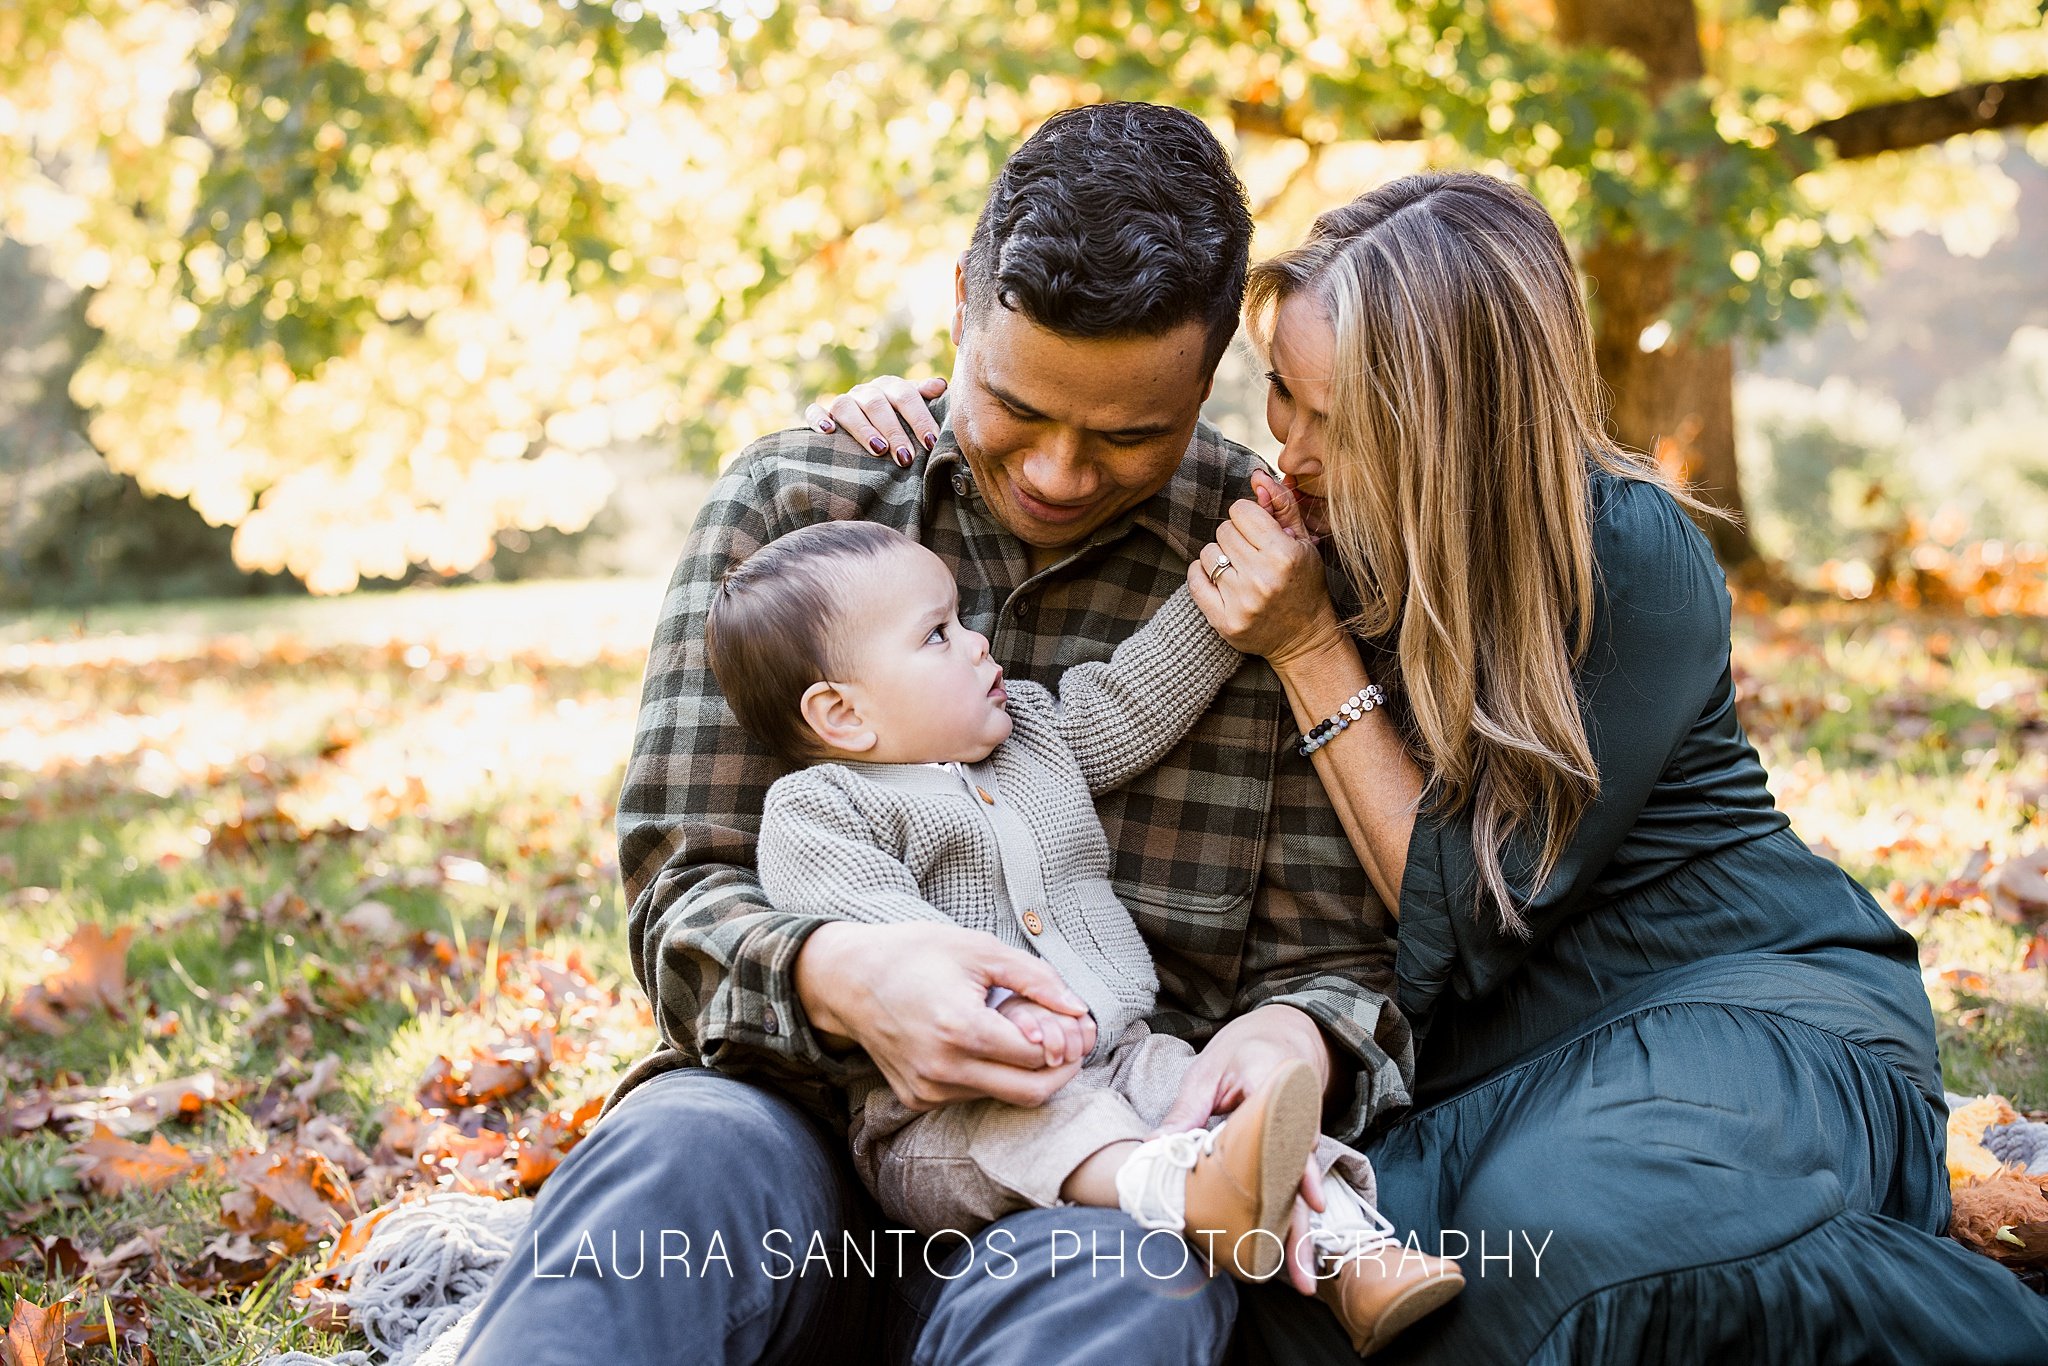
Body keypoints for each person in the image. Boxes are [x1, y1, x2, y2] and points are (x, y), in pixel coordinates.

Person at [819, 170, 2048, 1363]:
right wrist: (933, 409)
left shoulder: (1621, 553)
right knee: (1311, 1286)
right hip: (1478, 1076)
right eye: (1276, 396)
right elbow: (1054, 483)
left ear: (1436, 422)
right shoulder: (1327, 524)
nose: (1283, 449)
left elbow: (1467, 912)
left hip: (1727, 1009)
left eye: (1323, 417)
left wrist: (1307, 648)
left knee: (1560, 1245)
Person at [454, 102, 1415, 1366]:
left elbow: (1340, 956)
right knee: (675, 1158)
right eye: (1017, 406)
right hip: (795, 1115)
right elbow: (680, 892)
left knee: (1129, 1291)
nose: (1061, 474)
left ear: (1210, 371)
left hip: (1105, 1151)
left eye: (1128, 433)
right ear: (963, 300)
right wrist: (839, 975)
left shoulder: (1265, 566)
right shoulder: (800, 505)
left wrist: (1295, 1033)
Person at [704, 518, 1463, 1351]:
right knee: (1050, 1130)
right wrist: (995, 1004)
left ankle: (1355, 1255)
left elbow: (1135, 698)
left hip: (1121, 1053)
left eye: (962, 619)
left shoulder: (1032, 735)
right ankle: (1185, 1194)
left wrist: (1220, 593)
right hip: (955, 1107)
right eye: (938, 635)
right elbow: (887, 930)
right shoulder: (824, 808)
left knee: (1218, 1098)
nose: (977, 643)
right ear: (842, 714)